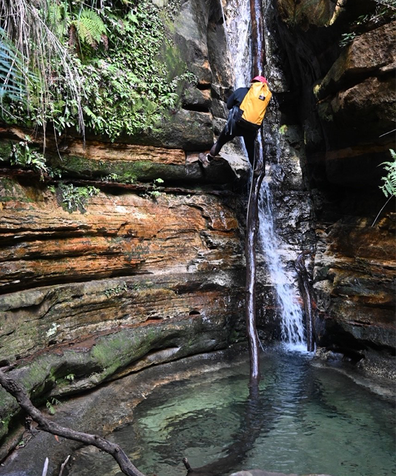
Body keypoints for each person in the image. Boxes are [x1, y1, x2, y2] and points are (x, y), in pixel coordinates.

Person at [199, 76, 271, 172]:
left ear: (252, 84)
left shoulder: (241, 91)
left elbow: (229, 105)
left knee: (220, 141)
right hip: (251, 128)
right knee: (250, 147)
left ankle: (207, 159)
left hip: (236, 124)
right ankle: (255, 169)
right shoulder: (263, 99)